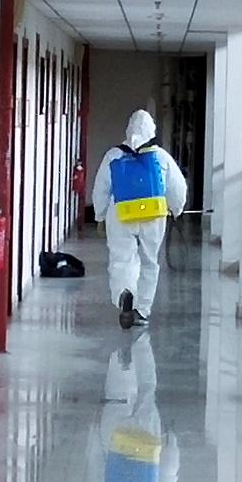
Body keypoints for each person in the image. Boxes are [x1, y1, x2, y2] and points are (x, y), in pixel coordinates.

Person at [92, 109, 187, 329]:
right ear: (151, 130)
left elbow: (101, 188)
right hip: (153, 216)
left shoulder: (113, 155)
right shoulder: (160, 156)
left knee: (121, 258)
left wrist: (100, 215)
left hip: (121, 213)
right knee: (149, 261)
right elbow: (178, 187)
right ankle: (142, 310)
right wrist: (176, 209)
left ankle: (124, 294)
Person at [87, 331, 178, 482]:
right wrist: (94, 429)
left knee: (147, 389)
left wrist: (170, 437)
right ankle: (121, 354)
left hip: (146, 436)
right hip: (114, 434)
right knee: (117, 396)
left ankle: (141, 340)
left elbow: (170, 466)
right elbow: (94, 456)